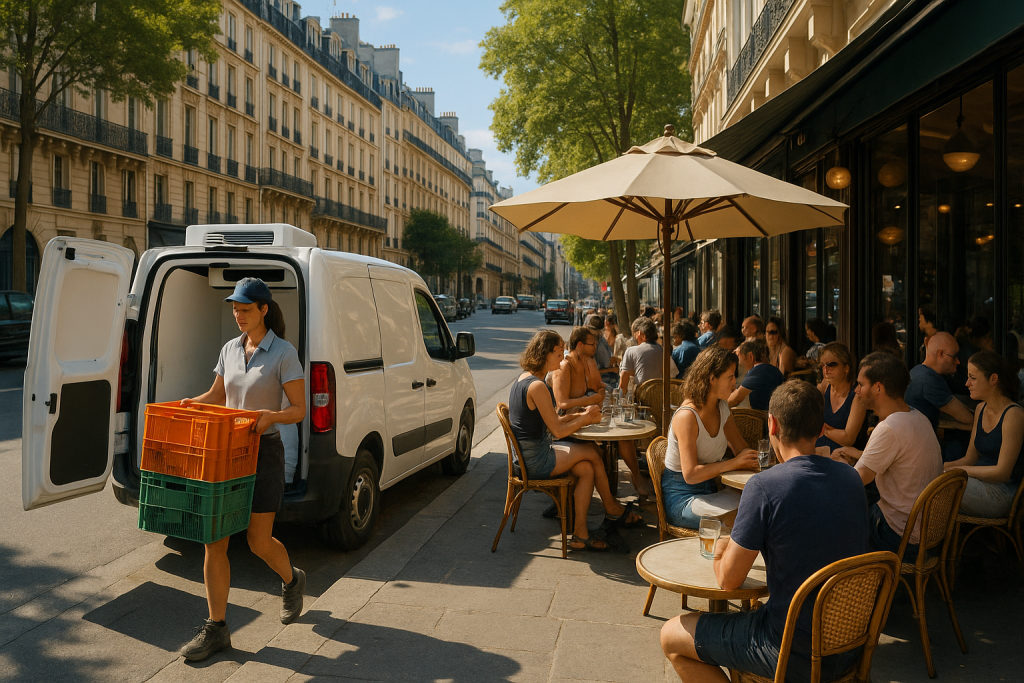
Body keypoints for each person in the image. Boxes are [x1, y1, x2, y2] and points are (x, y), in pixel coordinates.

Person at [661, 381, 868, 683]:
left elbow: (729, 581)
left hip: (789, 650)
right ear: (822, 429)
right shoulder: (852, 479)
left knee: (671, 635)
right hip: (850, 646)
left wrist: (720, 553)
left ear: (772, 424)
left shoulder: (764, 487)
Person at [178, 278, 307, 662]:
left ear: (264, 309)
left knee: (257, 542)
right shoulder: (230, 349)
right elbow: (218, 394)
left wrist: (271, 416)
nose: (238, 315)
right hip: (227, 454)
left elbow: (299, 409)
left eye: (245, 309)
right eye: (235, 309)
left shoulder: (283, 352)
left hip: (264, 454)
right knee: (214, 539)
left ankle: (292, 580)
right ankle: (216, 628)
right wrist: (194, 403)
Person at [510, 330, 644, 551]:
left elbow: (554, 420)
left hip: (526, 456)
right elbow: (558, 430)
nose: (561, 358)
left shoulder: (524, 379)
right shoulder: (538, 386)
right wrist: (586, 418)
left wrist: (581, 415)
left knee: (586, 468)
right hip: (534, 460)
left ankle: (580, 535)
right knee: (591, 451)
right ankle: (611, 507)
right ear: (544, 354)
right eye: (558, 353)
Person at [831, 353, 941, 560]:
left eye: (861, 384)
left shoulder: (889, 428)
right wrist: (860, 455)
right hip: (925, 530)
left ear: (878, 388)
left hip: (899, 535)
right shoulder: (918, 417)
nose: (856, 390)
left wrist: (835, 464)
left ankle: (845, 578)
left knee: (833, 516)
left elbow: (855, 481)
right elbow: (901, 460)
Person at [660, 346, 759, 529]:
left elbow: (741, 448)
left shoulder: (722, 407)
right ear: (712, 378)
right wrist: (735, 463)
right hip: (683, 499)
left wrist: (757, 460)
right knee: (741, 518)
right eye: (730, 377)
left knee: (760, 506)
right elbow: (690, 475)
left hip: (713, 492)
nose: (735, 383)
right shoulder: (687, 416)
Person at [944, 351, 1024, 518]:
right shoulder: (980, 409)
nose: (967, 383)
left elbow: (1002, 472)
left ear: (993, 379)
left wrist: (959, 471)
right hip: (975, 483)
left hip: (1001, 492)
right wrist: (941, 466)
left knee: (941, 486)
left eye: (973, 377)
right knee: (928, 477)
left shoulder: (1013, 414)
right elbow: (970, 459)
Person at [906, 332, 976, 431]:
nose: (958, 361)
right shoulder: (930, 381)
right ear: (940, 354)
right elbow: (968, 418)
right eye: (954, 356)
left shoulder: (916, 371)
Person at [815, 342, 868, 452]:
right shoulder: (824, 387)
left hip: (844, 457)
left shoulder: (857, 395)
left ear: (846, 368)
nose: (826, 369)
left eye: (831, 364)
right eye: (822, 365)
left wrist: (821, 428)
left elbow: (848, 438)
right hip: (819, 453)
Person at [553, 326, 606, 414]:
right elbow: (562, 403)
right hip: (565, 418)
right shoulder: (564, 366)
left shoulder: (586, 363)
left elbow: (597, 387)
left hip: (580, 414)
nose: (595, 347)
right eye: (592, 344)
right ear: (580, 344)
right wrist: (591, 399)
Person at [729, 340, 785, 410]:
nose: (737, 362)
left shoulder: (758, 371)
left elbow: (735, 399)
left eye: (738, 356)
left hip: (762, 415)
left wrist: (718, 404)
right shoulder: (773, 370)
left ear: (750, 356)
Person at [619, 316, 663, 389]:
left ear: (639, 334)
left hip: (641, 393)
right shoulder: (661, 349)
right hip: (659, 393)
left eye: (634, 334)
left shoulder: (631, 351)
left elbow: (623, 383)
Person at [586, 315, 619, 389]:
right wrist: (613, 367)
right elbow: (605, 364)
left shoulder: (601, 339)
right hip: (603, 378)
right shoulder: (598, 344)